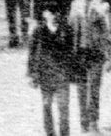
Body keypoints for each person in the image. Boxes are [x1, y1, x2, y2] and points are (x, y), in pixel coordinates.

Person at [69, 0, 111, 134]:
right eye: (81, 1)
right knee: (81, 90)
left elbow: (106, 38)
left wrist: (108, 59)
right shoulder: (73, 18)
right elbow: (67, 41)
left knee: (94, 89)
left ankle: (93, 122)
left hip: (95, 56)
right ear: (77, 2)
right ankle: (84, 123)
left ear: (90, 1)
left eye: (86, 0)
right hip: (79, 57)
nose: (84, 4)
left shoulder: (98, 17)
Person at [28, 8, 75, 136]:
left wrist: (72, 72)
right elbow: (32, 54)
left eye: (55, 13)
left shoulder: (66, 30)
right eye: (50, 13)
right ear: (44, 15)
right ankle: (50, 133)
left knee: (63, 107)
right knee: (46, 105)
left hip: (62, 74)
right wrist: (32, 74)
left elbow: (72, 53)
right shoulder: (38, 31)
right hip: (45, 75)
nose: (53, 16)